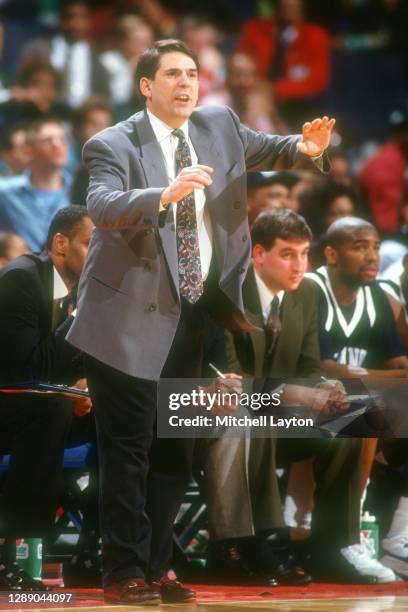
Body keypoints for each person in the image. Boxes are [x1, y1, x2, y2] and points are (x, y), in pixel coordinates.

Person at [66, 38, 335, 605]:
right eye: (171, 76)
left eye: (191, 73)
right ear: (146, 86)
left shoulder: (219, 124)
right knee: (129, 452)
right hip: (125, 321)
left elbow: (270, 147)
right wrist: (162, 195)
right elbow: (102, 205)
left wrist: (306, 147)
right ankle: (122, 572)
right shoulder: (112, 142)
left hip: (193, 314)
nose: (185, 84)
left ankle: (160, 567)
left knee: (175, 452)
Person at [204, 209, 392, 584]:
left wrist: (323, 388)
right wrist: (298, 394)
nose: (300, 265)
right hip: (224, 412)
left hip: (282, 415)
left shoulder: (306, 292)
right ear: (258, 254)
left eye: (305, 253)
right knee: (246, 415)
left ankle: (331, 547)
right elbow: (232, 379)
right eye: (288, 254)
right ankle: (246, 546)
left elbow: (308, 366)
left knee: (358, 413)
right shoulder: (227, 293)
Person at [0, 206, 94, 591]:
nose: (100, 258)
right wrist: (82, 313)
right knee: (51, 409)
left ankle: (101, 548)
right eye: (92, 245)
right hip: (11, 403)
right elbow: (26, 370)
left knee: (128, 413)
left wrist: (89, 387)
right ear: (60, 242)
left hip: (46, 402)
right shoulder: (20, 280)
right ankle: (13, 554)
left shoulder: (78, 290)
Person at [308, 217, 408, 378]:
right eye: (361, 248)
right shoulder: (311, 289)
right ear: (332, 255)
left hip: (361, 398)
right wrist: (395, 376)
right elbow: (325, 369)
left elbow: (398, 362)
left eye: (376, 248)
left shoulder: (376, 293)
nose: (373, 257)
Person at [0, 118, 71, 252]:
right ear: (29, 151)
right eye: (47, 141)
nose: (57, 145)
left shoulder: (81, 192)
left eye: (62, 139)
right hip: (22, 269)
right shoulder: (6, 193)